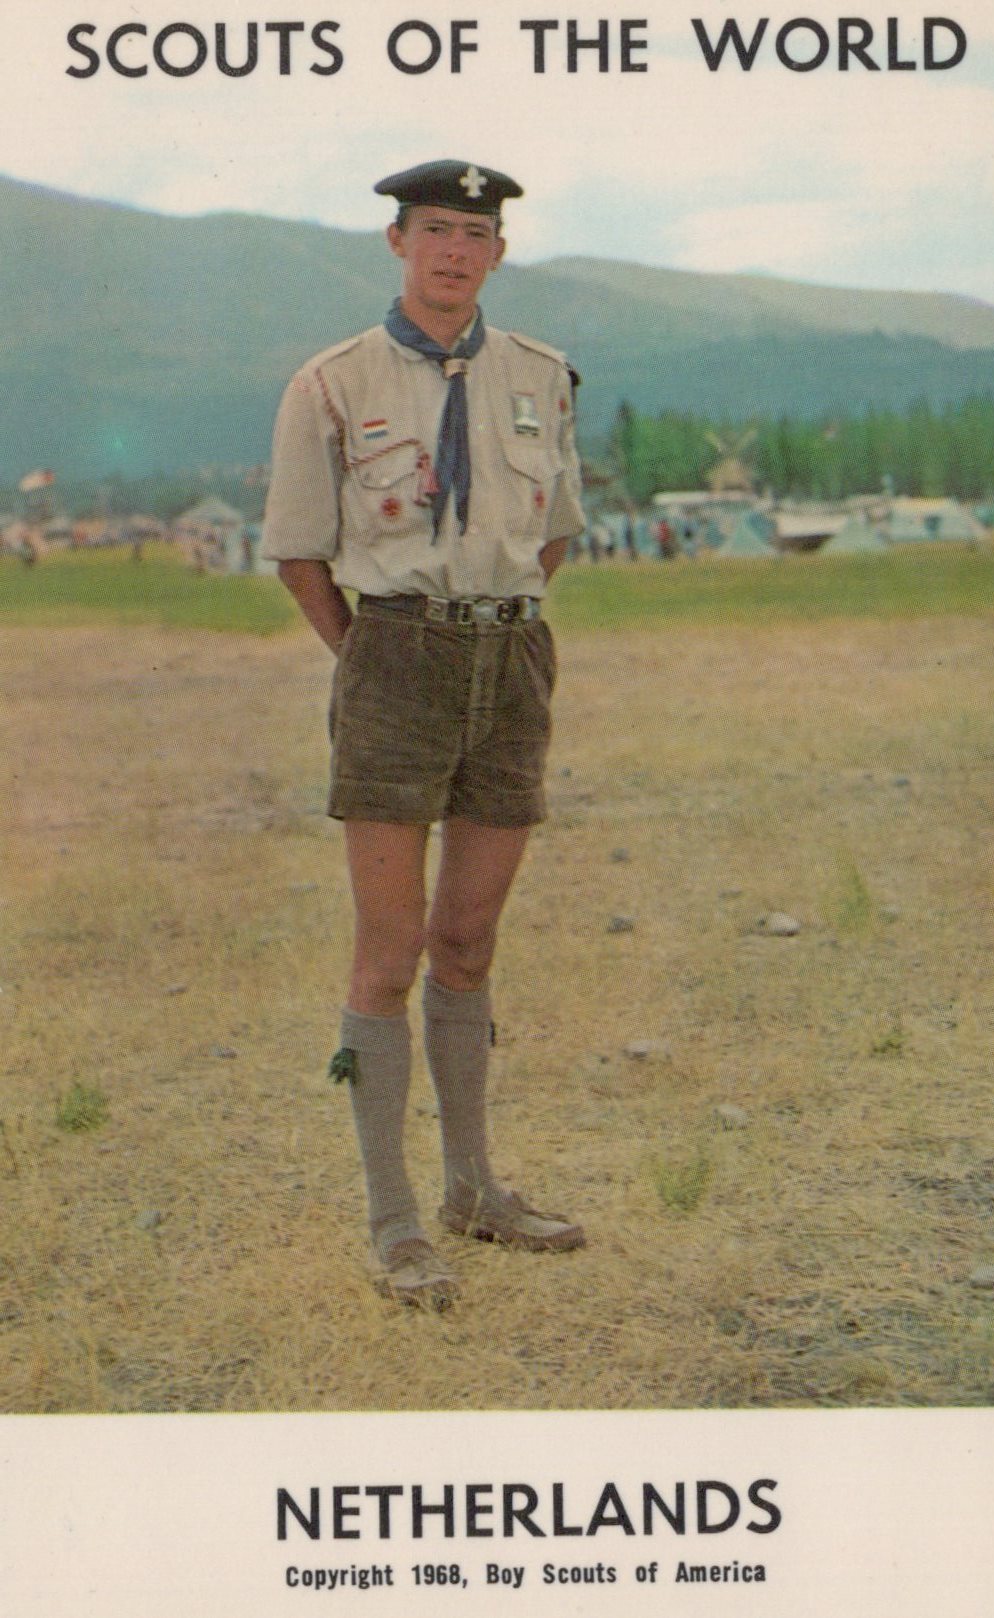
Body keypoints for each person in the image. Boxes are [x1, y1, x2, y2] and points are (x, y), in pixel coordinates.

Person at [261, 160, 588, 1310]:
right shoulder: (332, 383)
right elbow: (300, 551)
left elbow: (552, 531)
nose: (455, 251)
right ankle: (394, 1223)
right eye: (435, 230)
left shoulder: (542, 377)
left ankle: (472, 1188)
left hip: (510, 655)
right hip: (392, 653)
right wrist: (372, 651)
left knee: (468, 940)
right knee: (387, 949)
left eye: (475, 234)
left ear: (497, 254)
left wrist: (486, 616)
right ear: (396, 242)